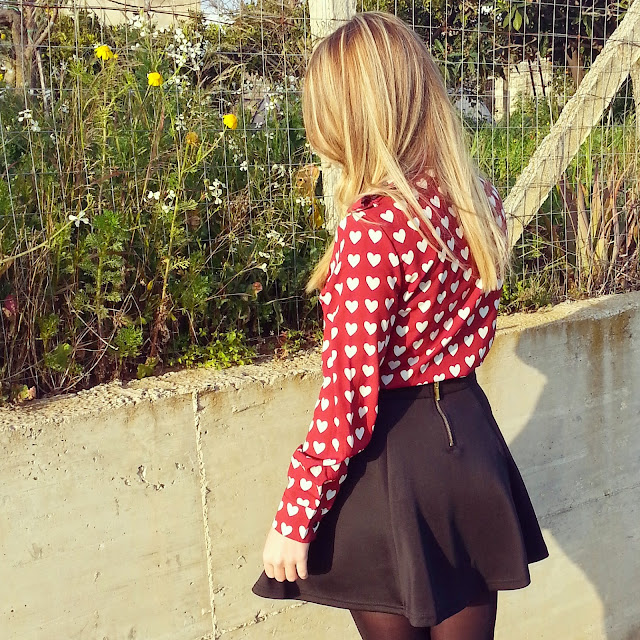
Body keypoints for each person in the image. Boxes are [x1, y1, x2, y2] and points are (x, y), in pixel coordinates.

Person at [252, 11, 549, 640]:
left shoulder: (373, 228)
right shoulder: (477, 198)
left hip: (391, 459)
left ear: (351, 115)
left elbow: (347, 392)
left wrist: (295, 515)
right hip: (469, 438)